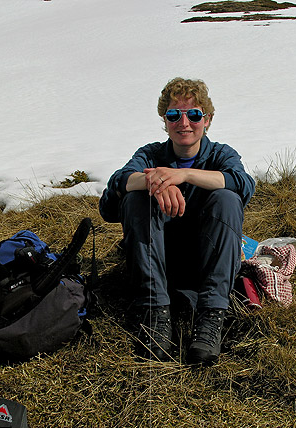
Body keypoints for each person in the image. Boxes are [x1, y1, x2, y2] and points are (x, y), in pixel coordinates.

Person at [103, 78, 248, 364]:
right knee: (135, 197)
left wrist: (183, 175)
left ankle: (210, 318)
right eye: (174, 115)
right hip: (156, 262)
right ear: (164, 120)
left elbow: (243, 184)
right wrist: (154, 182)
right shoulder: (151, 155)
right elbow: (112, 195)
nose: (184, 122)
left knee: (227, 198)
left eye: (194, 114)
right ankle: (155, 315)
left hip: (205, 263)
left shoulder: (221, 155)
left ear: (207, 120)